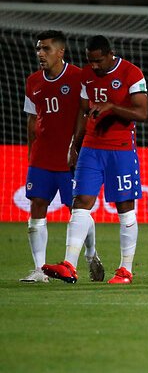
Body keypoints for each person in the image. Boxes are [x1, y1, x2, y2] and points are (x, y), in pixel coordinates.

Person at [42, 35, 148, 284]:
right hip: (91, 148)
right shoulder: (86, 75)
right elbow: (82, 111)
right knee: (81, 202)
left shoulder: (131, 73)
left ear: (110, 54)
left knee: (125, 208)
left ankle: (125, 270)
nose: (95, 66)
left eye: (99, 61)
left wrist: (112, 107)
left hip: (121, 149)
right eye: (90, 61)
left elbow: (142, 112)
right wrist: (74, 145)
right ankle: (69, 264)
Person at [21, 31, 104, 283]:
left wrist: (82, 149)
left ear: (60, 52)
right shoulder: (33, 81)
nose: (40, 54)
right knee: (37, 206)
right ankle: (39, 270)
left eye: (46, 49)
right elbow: (32, 118)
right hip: (42, 158)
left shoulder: (79, 77)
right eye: (38, 49)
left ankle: (91, 254)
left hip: (72, 158)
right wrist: (30, 151)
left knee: (78, 209)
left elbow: (88, 115)